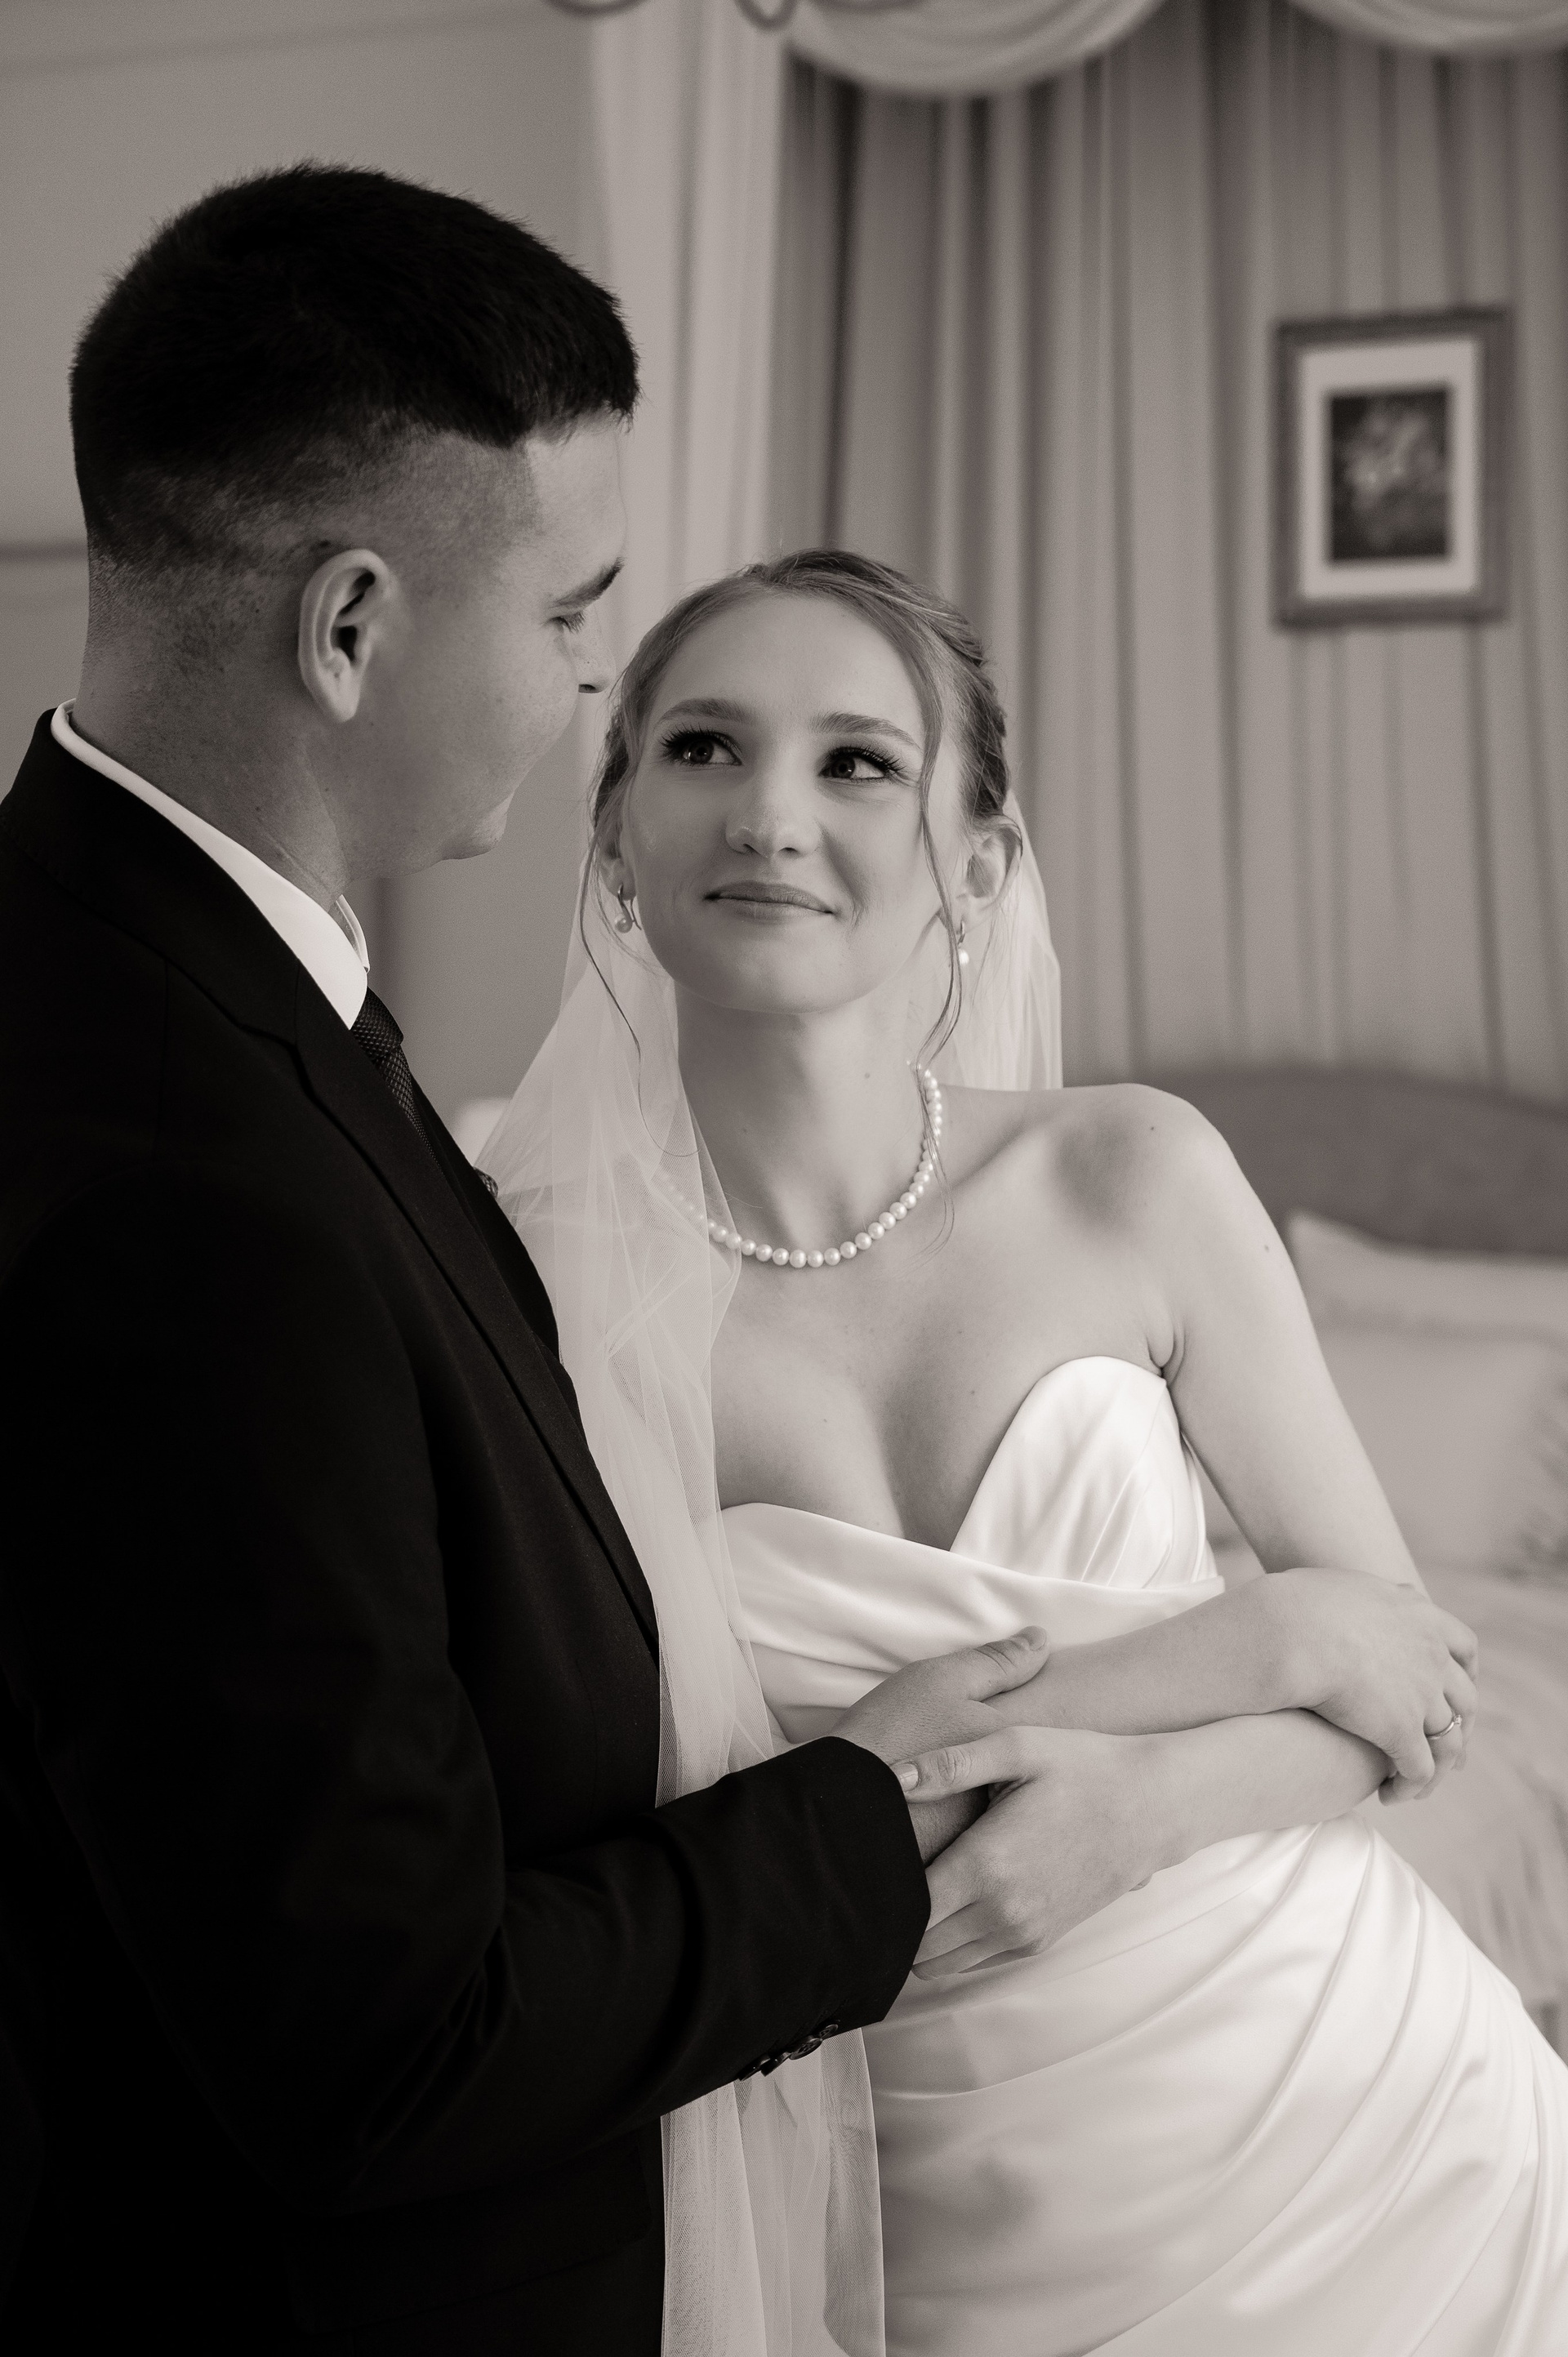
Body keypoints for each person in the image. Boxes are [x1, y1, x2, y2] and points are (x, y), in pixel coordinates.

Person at [0, 167, 1090, 2357]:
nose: (596, 677)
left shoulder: (189, 985)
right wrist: (857, 1814)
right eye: (578, 614)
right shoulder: (181, 1169)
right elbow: (384, 2044)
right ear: (350, 629)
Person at [487, 546, 1568, 2355]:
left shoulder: (1133, 1175)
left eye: (857, 761)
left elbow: (1414, 1688)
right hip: (899, 2192)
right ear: (612, 835)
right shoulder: (524, 1291)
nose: (769, 813)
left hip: (1370, 2128)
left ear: (976, 867)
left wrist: (1134, 1815)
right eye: (702, 748)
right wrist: (1249, 1640)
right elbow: (577, 1823)